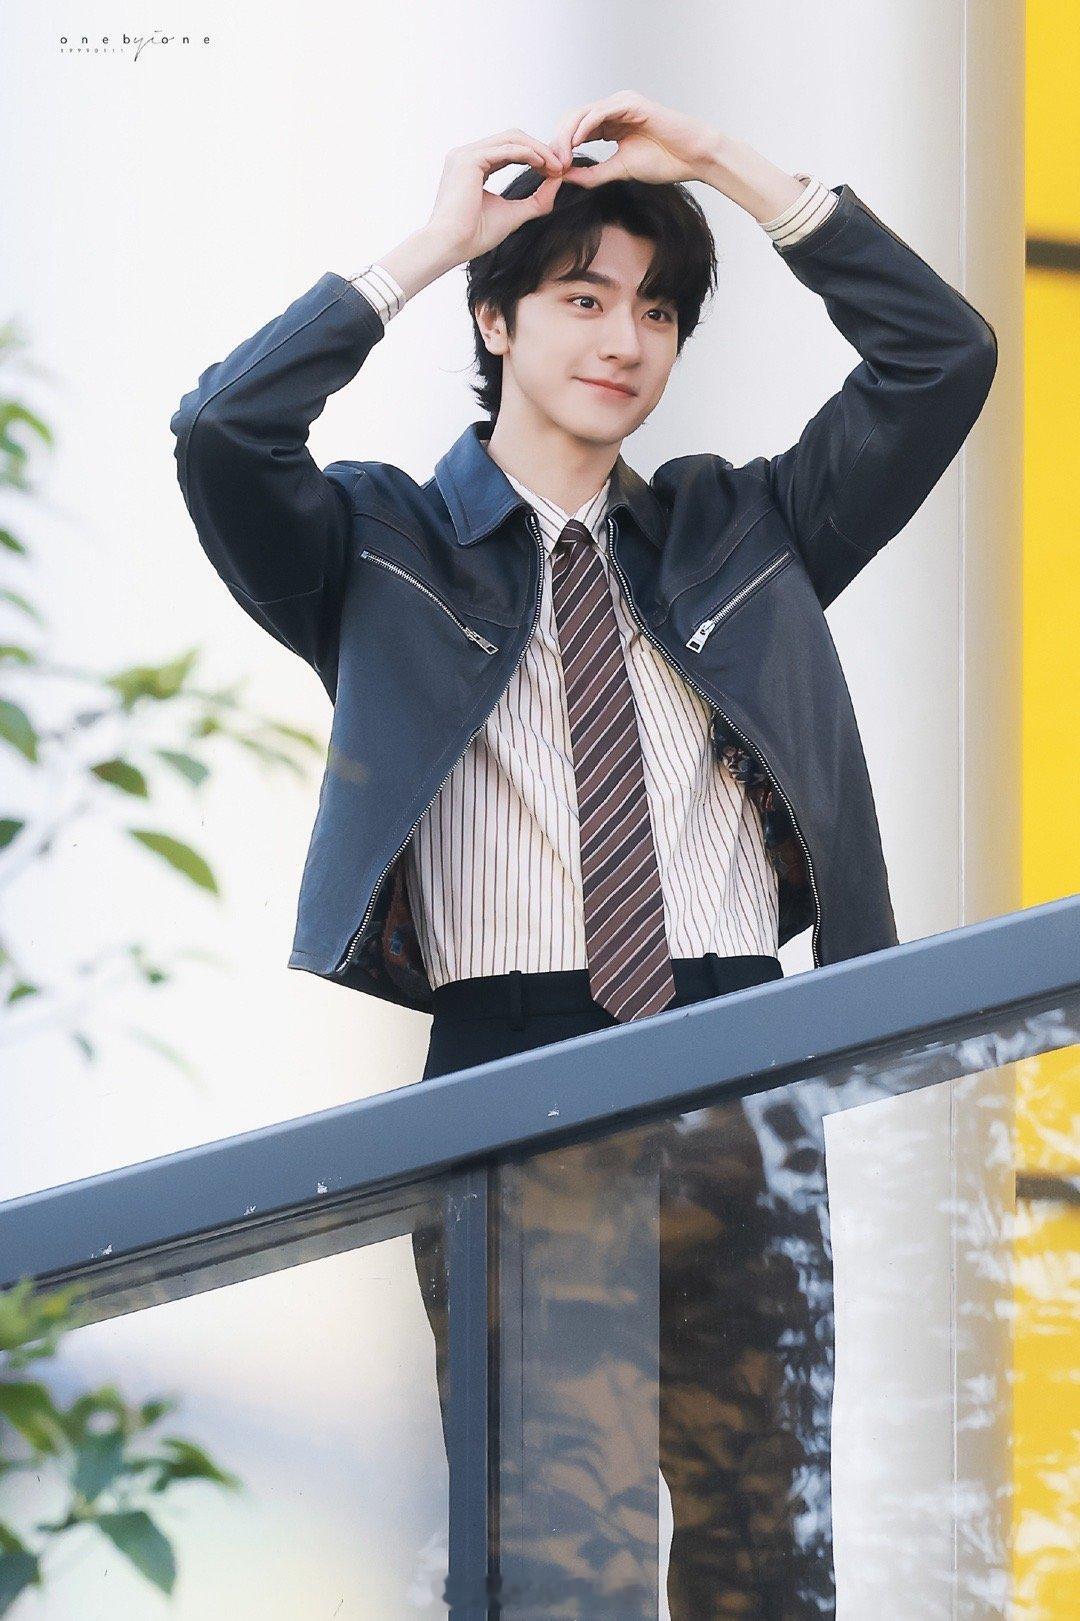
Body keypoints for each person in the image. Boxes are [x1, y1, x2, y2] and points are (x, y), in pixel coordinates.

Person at [170, 91, 997, 1615]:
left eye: (658, 311)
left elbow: (940, 356)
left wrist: (726, 168)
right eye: (582, 297)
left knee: (769, 1565)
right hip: (516, 1066)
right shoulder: (382, 549)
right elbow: (225, 432)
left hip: (744, 1056)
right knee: (558, 1571)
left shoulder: (743, 532)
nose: (626, 340)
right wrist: (434, 242)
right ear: (497, 320)